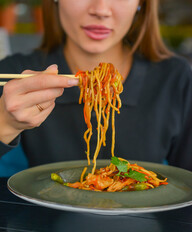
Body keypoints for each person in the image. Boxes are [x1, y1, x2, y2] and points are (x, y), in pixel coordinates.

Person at [0, 0, 192, 173]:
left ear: (141, 3)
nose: (100, 10)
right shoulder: (16, 75)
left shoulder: (176, 78)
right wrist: (4, 124)